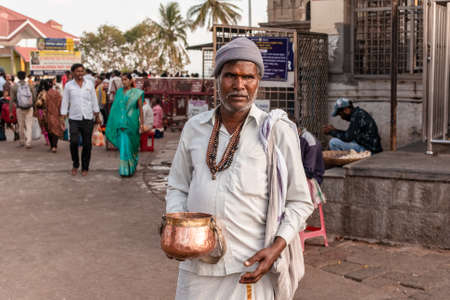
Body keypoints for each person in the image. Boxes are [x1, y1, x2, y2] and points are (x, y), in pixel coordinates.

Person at [165, 37, 313, 300]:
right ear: (217, 78)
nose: (239, 85)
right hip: (197, 268)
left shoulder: (276, 131)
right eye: (230, 75)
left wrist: (277, 247)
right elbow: (178, 185)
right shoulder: (195, 128)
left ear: (258, 82)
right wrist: (176, 230)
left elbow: (300, 201)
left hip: (250, 269)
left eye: (248, 77)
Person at [61, 63, 100, 176]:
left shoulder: (89, 84)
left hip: (88, 117)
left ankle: (85, 167)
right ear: (72, 73)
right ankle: (75, 164)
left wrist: (96, 114)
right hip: (74, 118)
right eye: (77, 71)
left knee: (87, 144)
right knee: (73, 142)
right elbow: (65, 102)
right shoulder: (69, 86)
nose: (80, 74)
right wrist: (62, 118)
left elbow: (93, 99)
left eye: (82, 71)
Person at [105, 73, 144, 177]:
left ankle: (132, 165)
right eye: (122, 80)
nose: (124, 82)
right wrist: (113, 120)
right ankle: (125, 170)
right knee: (124, 145)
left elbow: (140, 109)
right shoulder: (119, 92)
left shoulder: (137, 93)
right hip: (121, 123)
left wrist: (142, 124)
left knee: (133, 145)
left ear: (131, 81)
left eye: (126, 79)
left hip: (133, 123)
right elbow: (115, 108)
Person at [10, 71, 36, 148]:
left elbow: (11, 100)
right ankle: (28, 142)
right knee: (29, 125)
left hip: (19, 108)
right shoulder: (30, 85)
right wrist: (32, 105)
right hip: (29, 108)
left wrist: (10, 111)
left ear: (17, 77)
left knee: (21, 125)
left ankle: (22, 141)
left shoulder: (14, 86)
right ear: (25, 77)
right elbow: (34, 97)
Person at [43, 80, 64, 153]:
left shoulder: (46, 94)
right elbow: (61, 103)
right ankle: (55, 146)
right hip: (57, 114)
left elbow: (44, 105)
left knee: (49, 129)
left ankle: (52, 146)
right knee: (56, 130)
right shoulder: (57, 93)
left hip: (49, 114)